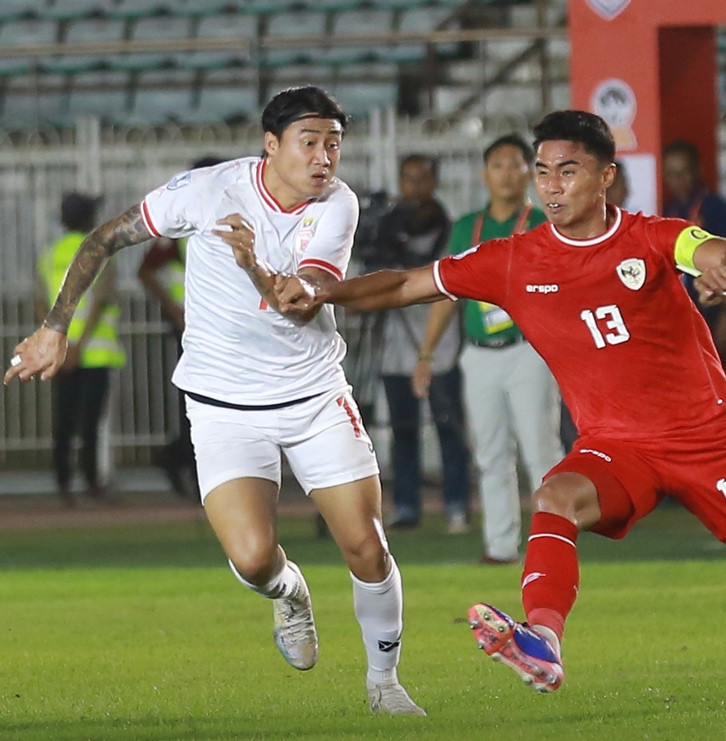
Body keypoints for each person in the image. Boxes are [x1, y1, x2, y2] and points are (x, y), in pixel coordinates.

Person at [273, 110, 726, 703]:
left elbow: (725, 253)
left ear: (606, 175)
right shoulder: (514, 260)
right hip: (616, 445)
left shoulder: (652, 238)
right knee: (556, 497)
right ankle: (543, 643)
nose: (551, 186)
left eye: (568, 170)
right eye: (542, 171)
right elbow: (411, 283)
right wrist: (326, 293)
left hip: (708, 444)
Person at [7, 86, 425, 716]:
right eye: (309, 142)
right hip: (223, 403)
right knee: (255, 558)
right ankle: (289, 594)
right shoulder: (206, 190)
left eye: (333, 144)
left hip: (312, 395)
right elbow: (103, 240)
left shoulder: (337, 205)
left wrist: (253, 265)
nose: (324, 158)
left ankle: (385, 683)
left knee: (366, 545)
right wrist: (55, 327)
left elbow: (301, 297)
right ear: (271, 145)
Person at [411, 134, 561, 565]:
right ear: (485, 174)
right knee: (490, 453)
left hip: (528, 349)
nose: (507, 173)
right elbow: (446, 294)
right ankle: (500, 546)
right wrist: (426, 355)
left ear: (529, 173)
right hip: (478, 353)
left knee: (540, 451)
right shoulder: (466, 227)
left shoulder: (541, 224)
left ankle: (553, 544)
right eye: (498, 165)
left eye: (516, 165)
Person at [365, 153, 472, 531]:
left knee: (449, 428)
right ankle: (406, 507)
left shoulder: (451, 230)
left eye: (421, 178)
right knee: (402, 431)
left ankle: (457, 503)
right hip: (395, 346)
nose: (413, 186)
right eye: (407, 178)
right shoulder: (387, 230)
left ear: (434, 183)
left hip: (440, 347)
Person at [137, 155, 224, 499]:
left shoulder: (240, 218)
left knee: (220, 403)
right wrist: (175, 310)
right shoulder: (184, 222)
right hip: (195, 329)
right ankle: (183, 461)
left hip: (225, 327)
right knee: (201, 402)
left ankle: (182, 460)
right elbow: (145, 271)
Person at [34, 192, 126, 506]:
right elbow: (101, 301)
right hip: (94, 352)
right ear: (88, 219)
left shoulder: (50, 254)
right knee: (89, 422)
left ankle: (62, 483)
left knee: (63, 419)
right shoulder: (97, 250)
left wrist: (57, 338)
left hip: (58, 353)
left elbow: (39, 302)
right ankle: (91, 482)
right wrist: (79, 345)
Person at [662, 139, 726, 358]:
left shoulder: (715, 208)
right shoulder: (670, 210)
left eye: (683, 173)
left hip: (710, 308)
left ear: (697, 171)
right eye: (671, 174)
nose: (677, 181)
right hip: (679, 314)